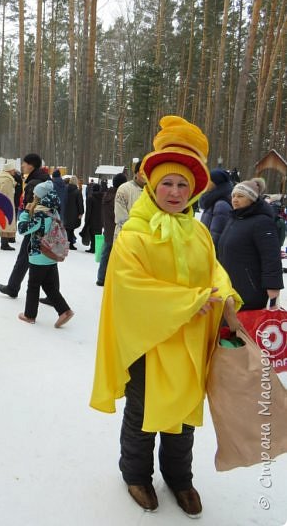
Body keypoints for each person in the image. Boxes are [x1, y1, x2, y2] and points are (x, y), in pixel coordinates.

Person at [90, 116, 242, 518]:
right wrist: (191, 301)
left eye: (182, 185)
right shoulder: (134, 236)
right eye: (167, 184)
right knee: (142, 414)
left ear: (193, 190)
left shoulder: (199, 232)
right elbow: (131, 287)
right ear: (153, 186)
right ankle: (135, 474)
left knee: (183, 416)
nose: (175, 192)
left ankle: (179, 477)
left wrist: (223, 294)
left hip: (189, 344)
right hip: (148, 343)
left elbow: (215, 271)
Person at [218, 178, 283, 310]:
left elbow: (271, 257)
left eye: (240, 196)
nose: (235, 199)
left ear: (252, 199)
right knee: (228, 327)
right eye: (233, 196)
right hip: (229, 285)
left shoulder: (262, 222)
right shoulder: (234, 218)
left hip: (249, 290)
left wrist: (273, 287)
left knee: (244, 328)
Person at [16, 180, 74, 327]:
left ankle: (29, 315)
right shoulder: (53, 210)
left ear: (40, 196)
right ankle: (64, 311)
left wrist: (24, 214)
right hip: (52, 253)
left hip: (39, 254)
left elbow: (23, 229)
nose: (33, 197)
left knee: (33, 285)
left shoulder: (40, 213)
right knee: (49, 285)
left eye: (35, 195)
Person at [0, 153, 50, 298]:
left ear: (31, 165)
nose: (22, 166)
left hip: (35, 226)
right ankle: (53, 295)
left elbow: (29, 206)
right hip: (47, 224)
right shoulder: (45, 179)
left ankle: (13, 287)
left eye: (24, 164)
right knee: (48, 259)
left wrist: (25, 222)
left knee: (24, 258)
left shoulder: (33, 183)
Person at [96, 172, 127, 286]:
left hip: (108, 228)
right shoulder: (118, 197)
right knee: (115, 255)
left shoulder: (107, 194)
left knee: (106, 254)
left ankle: (101, 277)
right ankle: (107, 278)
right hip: (115, 229)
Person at [199, 168, 233, 249]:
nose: (206, 182)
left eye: (209, 180)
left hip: (211, 252)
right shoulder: (212, 200)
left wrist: (207, 252)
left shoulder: (221, 205)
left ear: (216, 183)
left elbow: (216, 235)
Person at [114, 160, 145, 237]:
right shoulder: (124, 189)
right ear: (136, 173)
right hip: (125, 237)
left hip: (146, 240)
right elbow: (121, 218)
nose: (145, 175)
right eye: (142, 172)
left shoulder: (154, 191)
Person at [80, 183, 103, 253]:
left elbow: (88, 211)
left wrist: (86, 220)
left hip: (92, 219)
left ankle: (92, 248)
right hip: (100, 219)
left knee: (92, 234)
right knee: (98, 234)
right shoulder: (103, 197)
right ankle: (98, 249)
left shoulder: (91, 198)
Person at [63, 175, 84, 250]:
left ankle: (66, 243)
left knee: (66, 228)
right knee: (71, 229)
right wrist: (81, 212)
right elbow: (80, 203)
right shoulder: (77, 192)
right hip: (74, 214)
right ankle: (70, 244)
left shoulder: (65, 189)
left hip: (65, 212)